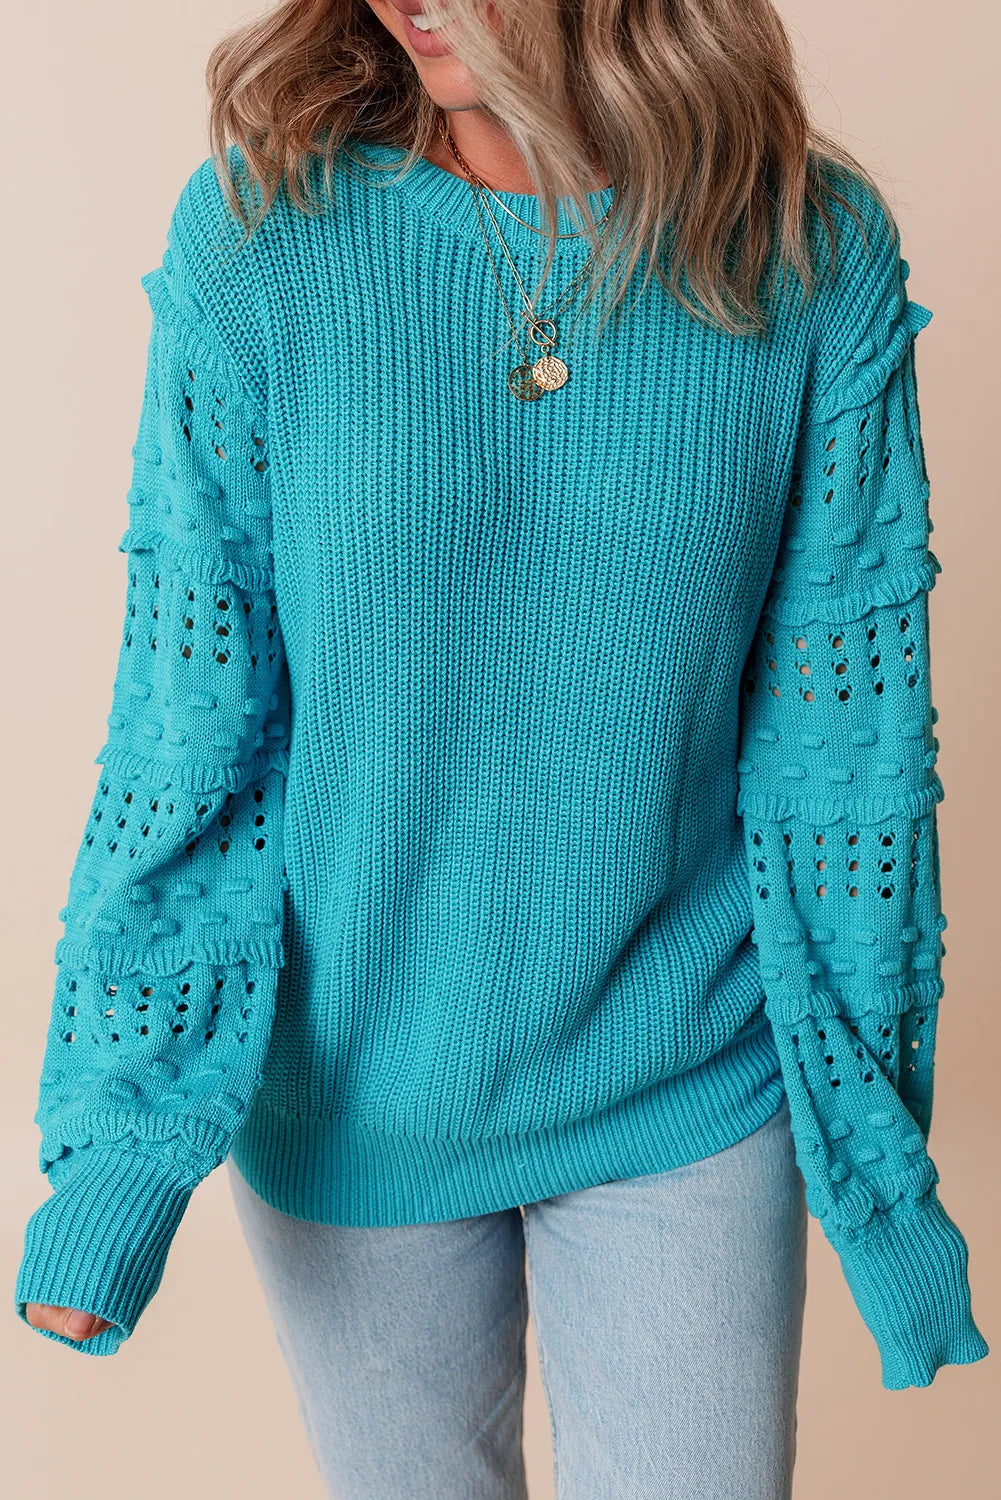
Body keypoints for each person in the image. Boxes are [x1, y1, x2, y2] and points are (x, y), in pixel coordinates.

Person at [15, 0, 989, 1494]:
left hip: (683, 1073)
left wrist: (874, 1148)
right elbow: (190, 724)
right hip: (355, 1090)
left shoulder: (803, 251)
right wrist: (123, 1150)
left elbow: (843, 749)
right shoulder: (262, 242)